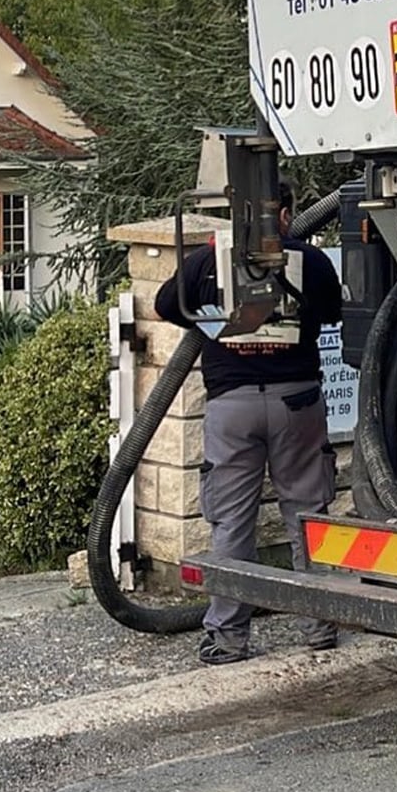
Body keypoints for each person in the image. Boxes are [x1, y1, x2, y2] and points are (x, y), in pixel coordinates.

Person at [155, 185, 344, 665]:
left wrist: (214, 323)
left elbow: (164, 304)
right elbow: (333, 312)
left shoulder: (208, 260)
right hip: (297, 402)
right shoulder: (310, 261)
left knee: (231, 520)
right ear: (284, 214)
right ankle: (318, 625)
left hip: (231, 406)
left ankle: (228, 637)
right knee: (307, 515)